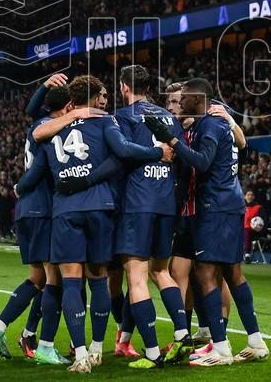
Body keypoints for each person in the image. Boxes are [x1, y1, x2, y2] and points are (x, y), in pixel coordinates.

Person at [145, 77, 269, 366]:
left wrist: (172, 139)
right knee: (232, 273)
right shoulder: (214, 118)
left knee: (204, 273)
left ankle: (221, 348)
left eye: (184, 97)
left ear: (198, 100)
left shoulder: (211, 123)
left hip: (215, 207)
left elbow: (202, 162)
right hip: (227, 204)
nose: (180, 102)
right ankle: (256, 341)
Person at [48, 75, 167, 373]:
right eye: (102, 94)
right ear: (97, 97)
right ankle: (98, 347)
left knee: (71, 282)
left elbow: (39, 167)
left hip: (65, 209)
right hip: (100, 206)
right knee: (99, 276)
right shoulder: (105, 121)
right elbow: (123, 153)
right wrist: (157, 152)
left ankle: (80, 356)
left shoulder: (51, 129)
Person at [0, 85, 72, 365]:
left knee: (38, 279)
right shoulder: (50, 129)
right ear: (67, 107)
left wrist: (45, 86)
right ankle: (44, 346)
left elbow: (32, 110)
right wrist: (22, 185)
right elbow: (40, 168)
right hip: (42, 208)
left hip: (27, 211)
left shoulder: (38, 123)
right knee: (54, 279)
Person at [109, 65, 192, 368]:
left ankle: (153, 352)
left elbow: (121, 153)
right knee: (162, 272)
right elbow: (181, 154)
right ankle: (183, 333)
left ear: (125, 87)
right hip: (165, 202)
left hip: (137, 202)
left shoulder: (123, 116)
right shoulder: (169, 117)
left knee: (136, 275)